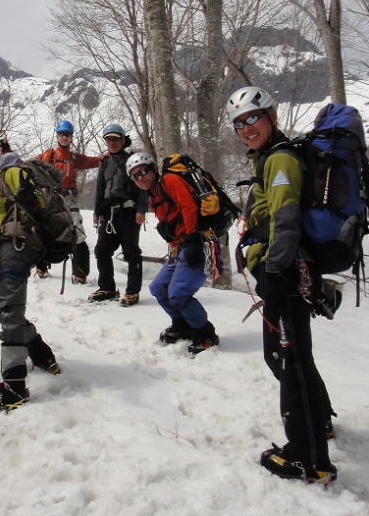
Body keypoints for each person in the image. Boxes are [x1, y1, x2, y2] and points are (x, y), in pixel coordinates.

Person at [227, 86, 337, 484]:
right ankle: (319, 424)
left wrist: (276, 270)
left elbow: (286, 218)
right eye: (239, 123)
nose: (246, 128)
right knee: (288, 358)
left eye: (253, 118)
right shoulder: (270, 160)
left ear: (270, 115)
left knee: (288, 361)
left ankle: (307, 458)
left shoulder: (281, 160)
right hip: (281, 269)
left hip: (285, 272)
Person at [0, 140, 62, 410]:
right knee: (0, 309)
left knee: (9, 312)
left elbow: (36, 201)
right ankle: (43, 356)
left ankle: (14, 386)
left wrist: (28, 195)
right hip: (9, 249)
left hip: (19, 248)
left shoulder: (11, 173)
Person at [126, 152, 220, 354]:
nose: (141, 177)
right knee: (159, 288)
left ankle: (205, 334)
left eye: (143, 171)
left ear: (152, 169)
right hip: (181, 246)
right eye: (135, 175)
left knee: (178, 293)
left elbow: (188, 206)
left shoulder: (169, 180)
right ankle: (183, 326)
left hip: (199, 242)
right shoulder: (153, 194)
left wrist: (193, 236)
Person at [36, 119, 104, 283]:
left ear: (72, 137)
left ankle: (80, 274)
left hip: (69, 199)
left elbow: (93, 161)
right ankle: (41, 267)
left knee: (77, 232)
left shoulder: (74, 157)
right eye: (62, 134)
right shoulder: (49, 155)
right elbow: (28, 164)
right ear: (57, 136)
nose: (65, 137)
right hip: (51, 199)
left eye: (67, 134)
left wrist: (107, 156)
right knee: (45, 230)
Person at [89, 124, 147, 306]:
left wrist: (141, 209)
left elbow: (144, 186)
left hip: (129, 213)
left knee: (131, 252)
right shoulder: (105, 163)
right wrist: (97, 212)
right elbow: (100, 188)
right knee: (101, 250)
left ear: (123, 140)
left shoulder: (133, 160)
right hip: (109, 214)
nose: (112, 143)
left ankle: (132, 292)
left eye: (115, 139)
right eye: (108, 139)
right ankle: (107, 288)